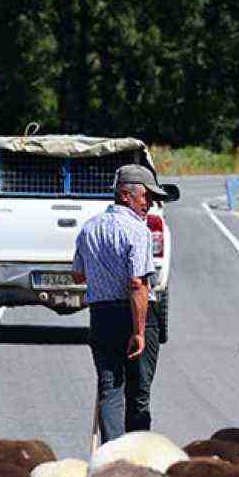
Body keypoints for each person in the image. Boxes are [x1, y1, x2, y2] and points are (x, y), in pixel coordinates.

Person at [72, 163, 168, 442]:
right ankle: (136, 451)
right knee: (139, 391)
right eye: (145, 197)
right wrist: (138, 332)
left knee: (110, 388)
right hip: (135, 314)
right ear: (126, 195)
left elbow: (78, 273)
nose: (149, 204)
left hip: (101, 315)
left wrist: (103, 273)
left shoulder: (89, 228)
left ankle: (111, 453)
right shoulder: (138, 230)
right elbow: (137, 284)